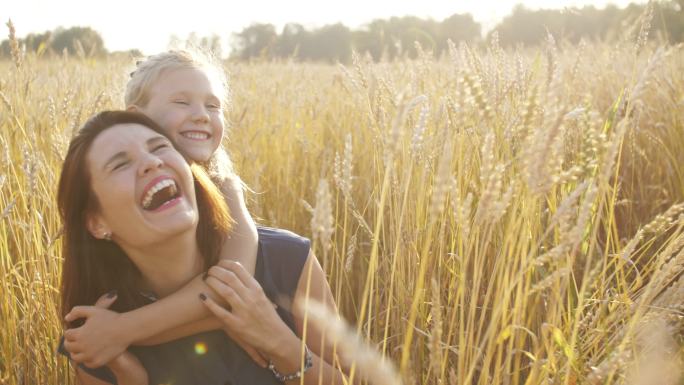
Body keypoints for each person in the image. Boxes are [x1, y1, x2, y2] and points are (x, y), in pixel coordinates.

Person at [57, 111, 347, 384]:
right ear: (96, 223)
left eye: (159, 147)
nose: (152, 162)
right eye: (120, 164)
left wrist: (279, 343)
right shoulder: (95, 333)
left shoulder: (285, 260)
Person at [59, 50, 273, 367]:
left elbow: (229, 293)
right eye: (182, 102)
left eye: (213, 106)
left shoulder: (225, 187)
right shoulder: (116, 220)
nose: (202, 114)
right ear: (138, 116)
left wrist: (121, 331)